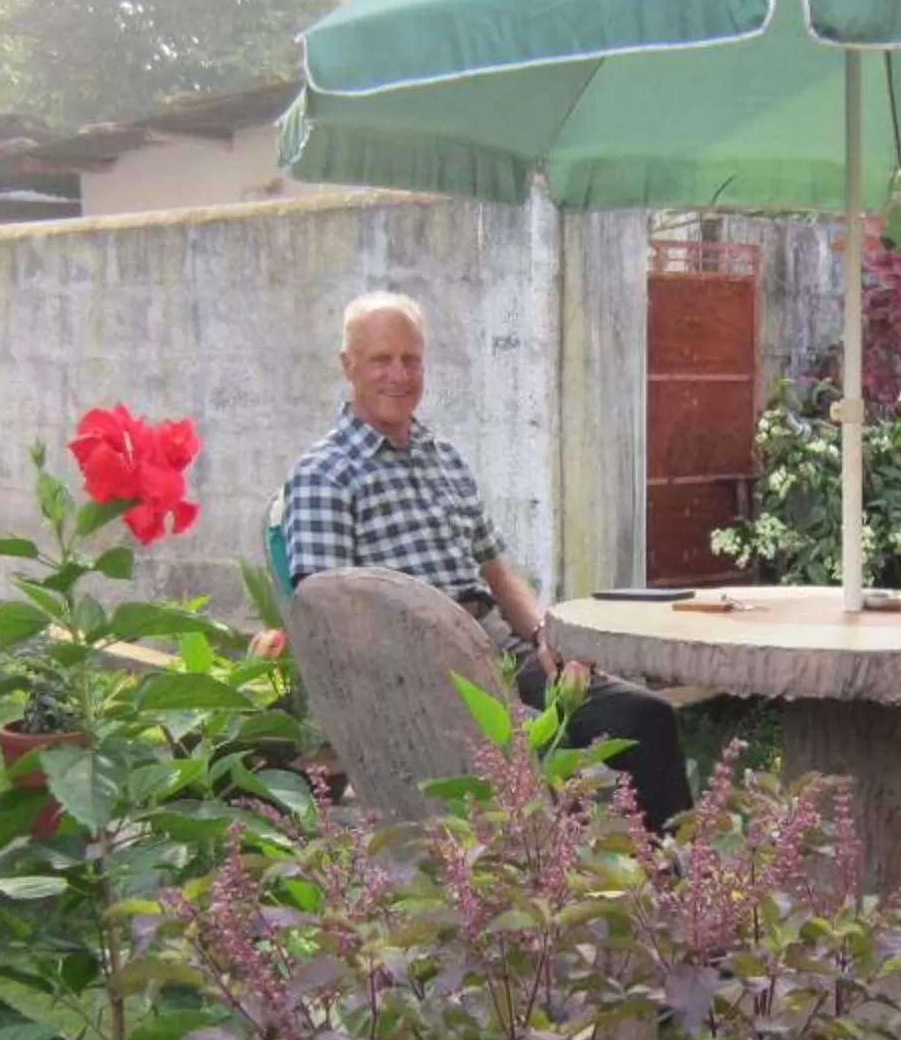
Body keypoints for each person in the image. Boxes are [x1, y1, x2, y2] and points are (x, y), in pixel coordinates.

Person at [282, 290, 694, 833]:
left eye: (411, 359)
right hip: (417, 676)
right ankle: (554, 874)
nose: (399, 375)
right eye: (381, 359)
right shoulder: (324, 474)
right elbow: (326, 623)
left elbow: (496, 571)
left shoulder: (444, 458)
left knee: (645, 716)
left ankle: (670, 874)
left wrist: (544, 634)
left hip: (497, 647)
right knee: (535, 759)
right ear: (348, 365)